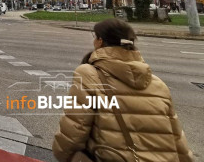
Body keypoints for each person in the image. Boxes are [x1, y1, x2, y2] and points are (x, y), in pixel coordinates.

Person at [53, 19, 194, 162]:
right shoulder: (158, 84)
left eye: (95, 37)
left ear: (100, 41)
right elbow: (178, 140)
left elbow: (75, 128)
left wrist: (64, 155)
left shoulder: (89, 75)